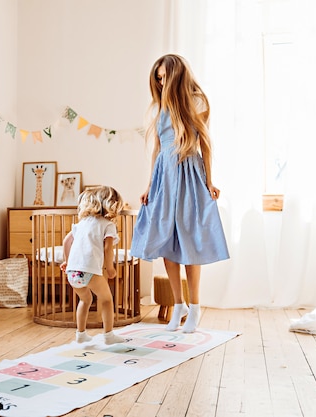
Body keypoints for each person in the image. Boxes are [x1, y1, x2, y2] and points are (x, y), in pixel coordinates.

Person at [131, 54, 229, 333]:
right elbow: (157, 149)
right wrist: (150, 185)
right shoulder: (160, 106)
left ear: (177, 74)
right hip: (165, 177)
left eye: (164, 77)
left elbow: (205, 146)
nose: (161, 82)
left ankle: (195, 307)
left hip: (188, 173)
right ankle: (179, 304)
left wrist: (210, 181)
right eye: (158, 78)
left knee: (189, 243)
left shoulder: (197, 102)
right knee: (166, 242)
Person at [60, 186, 126, 345]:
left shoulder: (81, 223)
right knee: (106, 300)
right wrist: (109, 268)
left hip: (72, 272)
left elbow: (66, 241)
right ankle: (109, 336)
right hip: (89, 270)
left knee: (85, 300)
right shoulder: (107, 224)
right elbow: (108, 248)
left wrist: (67, 261)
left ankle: (81, 334)